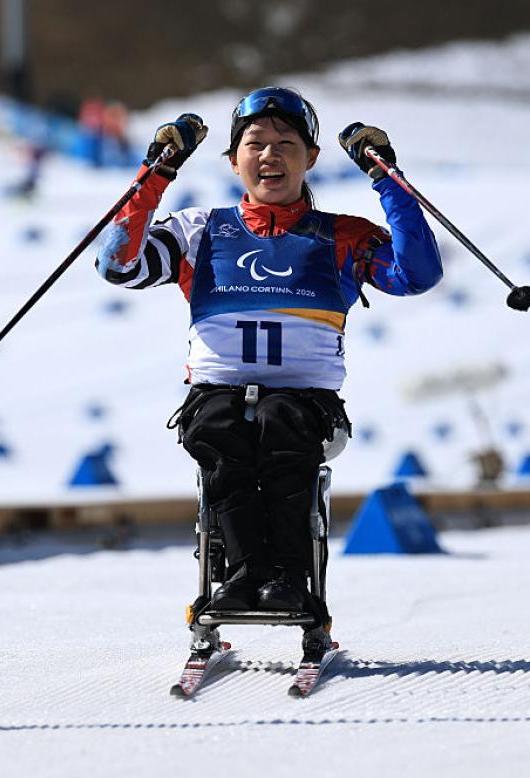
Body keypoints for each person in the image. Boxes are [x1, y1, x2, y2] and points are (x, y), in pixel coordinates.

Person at [94, 86, 442, 623]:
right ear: (233, 160)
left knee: (281, 425)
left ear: (311, 159)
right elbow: (118, 264)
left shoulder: (342, 236)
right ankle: (243, 574)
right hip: (215, 393)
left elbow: (417, 274)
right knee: (220, 429)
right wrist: (156, 171)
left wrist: (385, 177)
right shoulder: (198, 231)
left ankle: (288, 578)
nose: (269, 156)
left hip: (307, 401)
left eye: (286, 145)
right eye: (254, 144)